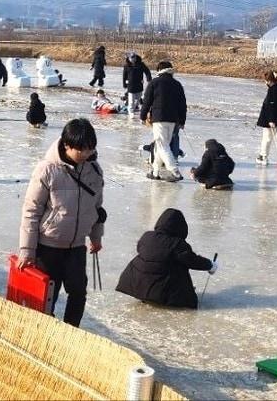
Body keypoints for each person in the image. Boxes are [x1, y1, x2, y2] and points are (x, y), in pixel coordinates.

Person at [16, 118, 106, 326]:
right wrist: (27, 250)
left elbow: (97, 207)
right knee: (48, 296)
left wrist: (96, 235)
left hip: (76, 247)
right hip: (48, 246)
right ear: (67, 145)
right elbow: (31, 211)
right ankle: (45, 332)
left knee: (78, 293)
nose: (86, 154)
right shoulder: (47, 170)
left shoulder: (94, 170)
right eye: (81, 150)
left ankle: (71, 330)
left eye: (90, 149)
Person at [115, 208, 217, 309]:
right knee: (178, 267)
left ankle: (148, 294)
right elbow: (192, 261)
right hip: (163, 293)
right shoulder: (177, 244)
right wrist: (210, 265)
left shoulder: (147, 236)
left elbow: (140, 250)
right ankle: (176, 294)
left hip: (136, 287)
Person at [140, 60, 187, 181]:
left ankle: (175, 172)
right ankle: (155, 172)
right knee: (161, 145)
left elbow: (147, 101)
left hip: (159, 118)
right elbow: (182, 104)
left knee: (162, 145)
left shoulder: (154, 83)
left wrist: (142, 116)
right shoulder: (177, 84)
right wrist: (182, 121)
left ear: (159, 70)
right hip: (173, 120)